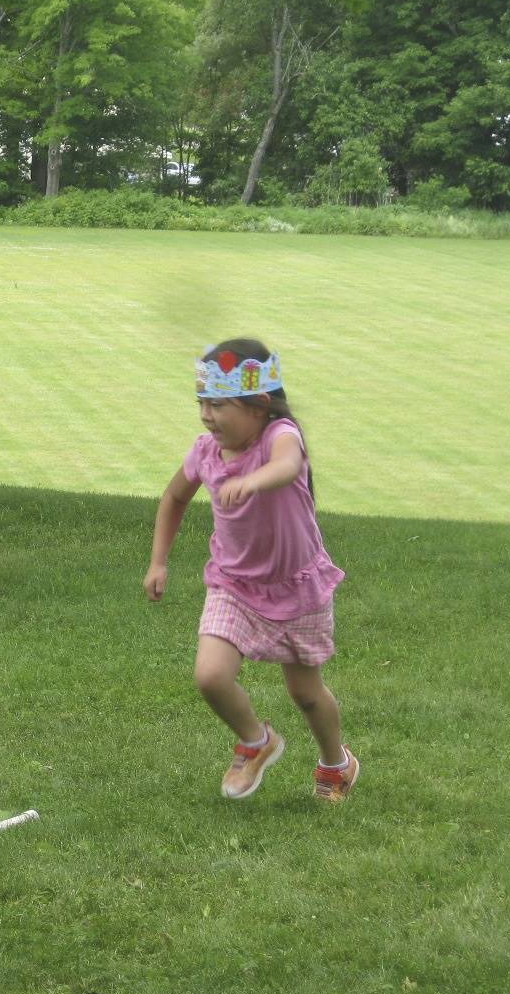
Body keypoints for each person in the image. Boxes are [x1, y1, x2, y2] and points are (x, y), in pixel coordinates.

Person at [143, 339, 359, 802]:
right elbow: (173, 498)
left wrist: (252, 480)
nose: (206, 414)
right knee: (210, 676)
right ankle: (256, 741)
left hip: (296, 588)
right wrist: (159, 561)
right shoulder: (205, 452)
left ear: (260, 405)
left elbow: (287, 464)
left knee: (306, 693)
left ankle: (335, 764)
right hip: (233, 585)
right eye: (202, 402)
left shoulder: (280, 436)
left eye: (218, 404)